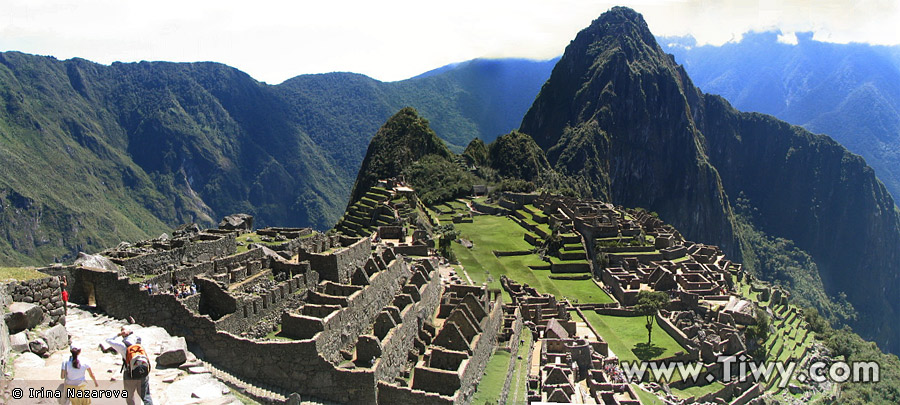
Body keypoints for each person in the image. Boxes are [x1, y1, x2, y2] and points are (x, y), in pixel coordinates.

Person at [106, 327, 153, 405]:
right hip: (143, 370)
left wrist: (118, 334)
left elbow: (108, 340)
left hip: (129, 374)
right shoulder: (138, 339)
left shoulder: (122, 345)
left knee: (129, 396)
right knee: (146, 396)